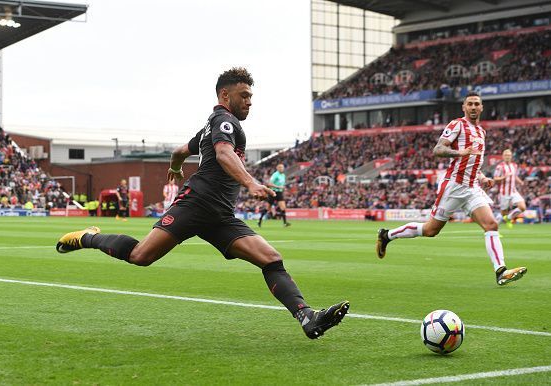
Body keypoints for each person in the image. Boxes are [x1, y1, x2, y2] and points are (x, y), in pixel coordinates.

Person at [56, 67, 349, 339]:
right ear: (225, 95)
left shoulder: (211, 126)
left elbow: (181, 150)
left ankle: (307, 316)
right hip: (195, 205)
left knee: (270, 258)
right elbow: (223, 154)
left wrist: (174, 167)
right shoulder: (224, 121)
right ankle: (88, 237)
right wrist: (249, 182)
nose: (249, 102)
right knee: (141, 256)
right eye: (244, 95)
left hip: (220, 215)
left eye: (251, 96)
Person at [376, 92, 527, 286]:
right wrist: (458, 152)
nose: (473, 107)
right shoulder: (457, 125)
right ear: (464, 107)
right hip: (454, 186)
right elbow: (438, 149)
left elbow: (475, 163)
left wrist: (483, 177)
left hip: (472, 187)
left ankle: (501, 271)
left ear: (481, 108)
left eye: (477, 104)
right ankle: (386, 235)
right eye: (470, 104)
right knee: (430, 230)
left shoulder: (481, 132)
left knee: (491, 225)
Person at [493, 149, 526, 229]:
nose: (507, 156)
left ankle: (508, 218)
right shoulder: (500, 166)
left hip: (513, 191)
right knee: (503, 213)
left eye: (509, 155)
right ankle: (494, 229)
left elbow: (514, 176)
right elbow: (495, 178)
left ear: (511, 156)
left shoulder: (514, 165)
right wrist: (504, 177)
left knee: (522, 207)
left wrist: (521, 182)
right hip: (504, 193)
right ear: (503, 156)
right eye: (506, 155)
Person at [258, 163, 291, 227]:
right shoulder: (275, 175)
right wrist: (278, 187)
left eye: (282, 167)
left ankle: (285, 223)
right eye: (280, 167)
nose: (282, 168)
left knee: (283, 207)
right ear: (277, 168)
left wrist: (282, 188)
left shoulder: (283, 175)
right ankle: (260, 220)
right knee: (268, 208)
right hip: (273, 192)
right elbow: (269, 184)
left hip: (279, 193)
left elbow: (282, 185)